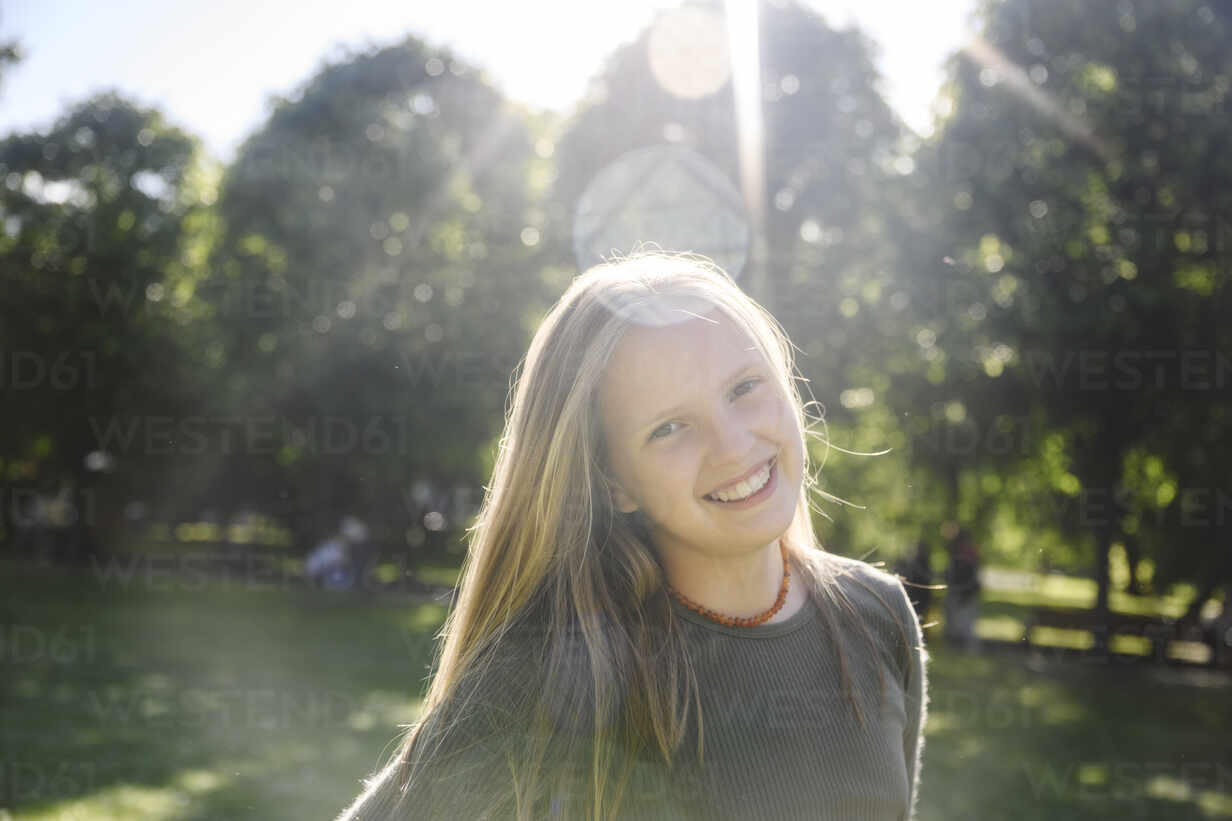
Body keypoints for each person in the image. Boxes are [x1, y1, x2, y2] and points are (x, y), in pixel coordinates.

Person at [334, 251, 930, 821]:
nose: (733, 445)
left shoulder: (878, 615)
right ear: (614, 482)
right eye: (669, 427)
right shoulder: (554, 672)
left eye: (744, 388)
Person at [942, 527, 982, 651]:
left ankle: (968, 648)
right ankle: (956, 647)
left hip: (965, 595)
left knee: (966, 624)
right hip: (959, 593)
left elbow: (968, 578)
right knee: (956, 623)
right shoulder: (960, 555)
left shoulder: (968, 556)